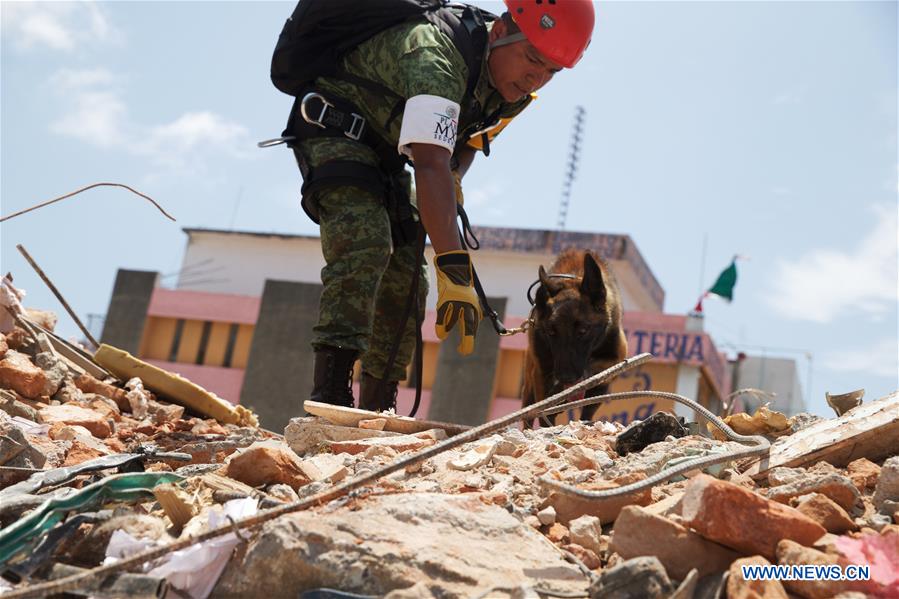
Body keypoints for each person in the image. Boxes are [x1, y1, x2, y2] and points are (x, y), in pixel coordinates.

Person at [290, 0, 595, 412]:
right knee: (368, 244)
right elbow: (430, 161)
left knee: (409, 274)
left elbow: (464, 143)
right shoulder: (435, 55)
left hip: (389, 151)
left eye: (551, 72)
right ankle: (330, 394)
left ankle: (378, 405)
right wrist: (454, 265)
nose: (535, 77)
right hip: (334, 125)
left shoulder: (514, 92)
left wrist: (453, 178)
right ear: (502, 32)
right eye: (532, 59)